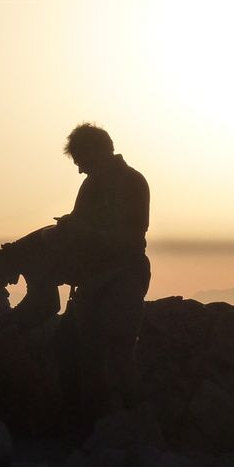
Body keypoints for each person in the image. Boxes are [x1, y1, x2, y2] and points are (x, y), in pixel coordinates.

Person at [59, 123, 151, 426]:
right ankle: (94, 428)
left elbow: (133, 238)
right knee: (90, 356)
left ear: (96, 152)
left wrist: (85, 231)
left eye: (81, 161)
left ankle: (138, 426)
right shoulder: (91, 186)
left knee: (119, 351)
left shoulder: (133, 182)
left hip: (124, 274)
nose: (80, 170)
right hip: (92, 279)